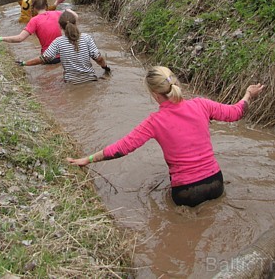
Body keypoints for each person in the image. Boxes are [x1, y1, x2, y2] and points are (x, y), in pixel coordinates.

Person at [68, 66, 264, 207]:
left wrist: (88, 159)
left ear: (154, 94)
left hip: (186, 192)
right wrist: (248, 94)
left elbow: (122, 148)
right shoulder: (202, 105)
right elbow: (236, 112)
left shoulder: (155, 121)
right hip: (216, 183)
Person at [17, 10, 111, 84]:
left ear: (60, 27)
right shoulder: (87, 38)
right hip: (91, 81)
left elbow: (43, 59)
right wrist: (106, 68)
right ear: (75, 23)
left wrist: (24, 63)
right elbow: (98, 58)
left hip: (71, 83)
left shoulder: (58, 42)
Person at [0, 0, 64, 62]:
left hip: (48, 57)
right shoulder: (58, 13)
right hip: (64, 54)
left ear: (32, 6)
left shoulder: (34, 20)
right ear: (46, 4)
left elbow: (19, 38)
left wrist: (1, 38)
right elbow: (73, 17)